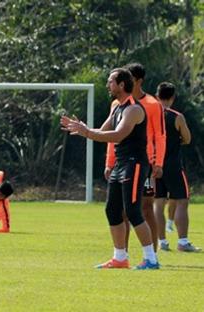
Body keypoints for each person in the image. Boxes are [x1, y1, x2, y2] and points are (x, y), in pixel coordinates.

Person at [61, 68, 159, 269]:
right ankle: (120, 258)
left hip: (135, 163)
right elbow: (102, 130)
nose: (108, 85)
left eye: (110, 81)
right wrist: (82, 129)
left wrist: (87, 132)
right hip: (121, 164)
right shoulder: (117, 108)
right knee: (112, 210)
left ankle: (151, 259)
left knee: (133, 211)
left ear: (122, 85)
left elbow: (117, 135)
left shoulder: (133, 109)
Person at [105, 63, 165, 252]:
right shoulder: (116, 105)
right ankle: (123, 253)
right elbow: (112, 135)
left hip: (143, 161)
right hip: (121, 162)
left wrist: (158, 162)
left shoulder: (151, 104)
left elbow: (159, 135)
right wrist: (109, 162)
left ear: (137, 81)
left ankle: (151, 254)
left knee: (145, 208)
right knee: (119, 211)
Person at [153, 82, 200, 252]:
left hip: (154, 165)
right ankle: (183, 241)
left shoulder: (150, 115)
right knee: (182, 201)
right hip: (173, 165)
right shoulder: (177, 116)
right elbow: (187, 139)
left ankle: (162, 242)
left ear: (157, 96)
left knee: (158, 203)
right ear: (172, 97)